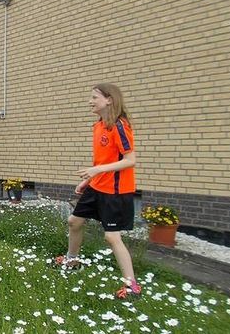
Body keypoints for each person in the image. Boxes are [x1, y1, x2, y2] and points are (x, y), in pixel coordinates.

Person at [55, 83, 140, 300]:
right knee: (74, 221)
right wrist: (90, 179)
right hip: (97, 186)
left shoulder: (120, 126)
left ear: (109, 99)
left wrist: (97, 170)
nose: (90, 101)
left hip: (116, 191)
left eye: (94, 97)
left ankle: (132, 286)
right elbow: (103, 160)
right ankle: (71, 261)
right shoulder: (99, 126)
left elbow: (130, 161)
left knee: (112, 237)